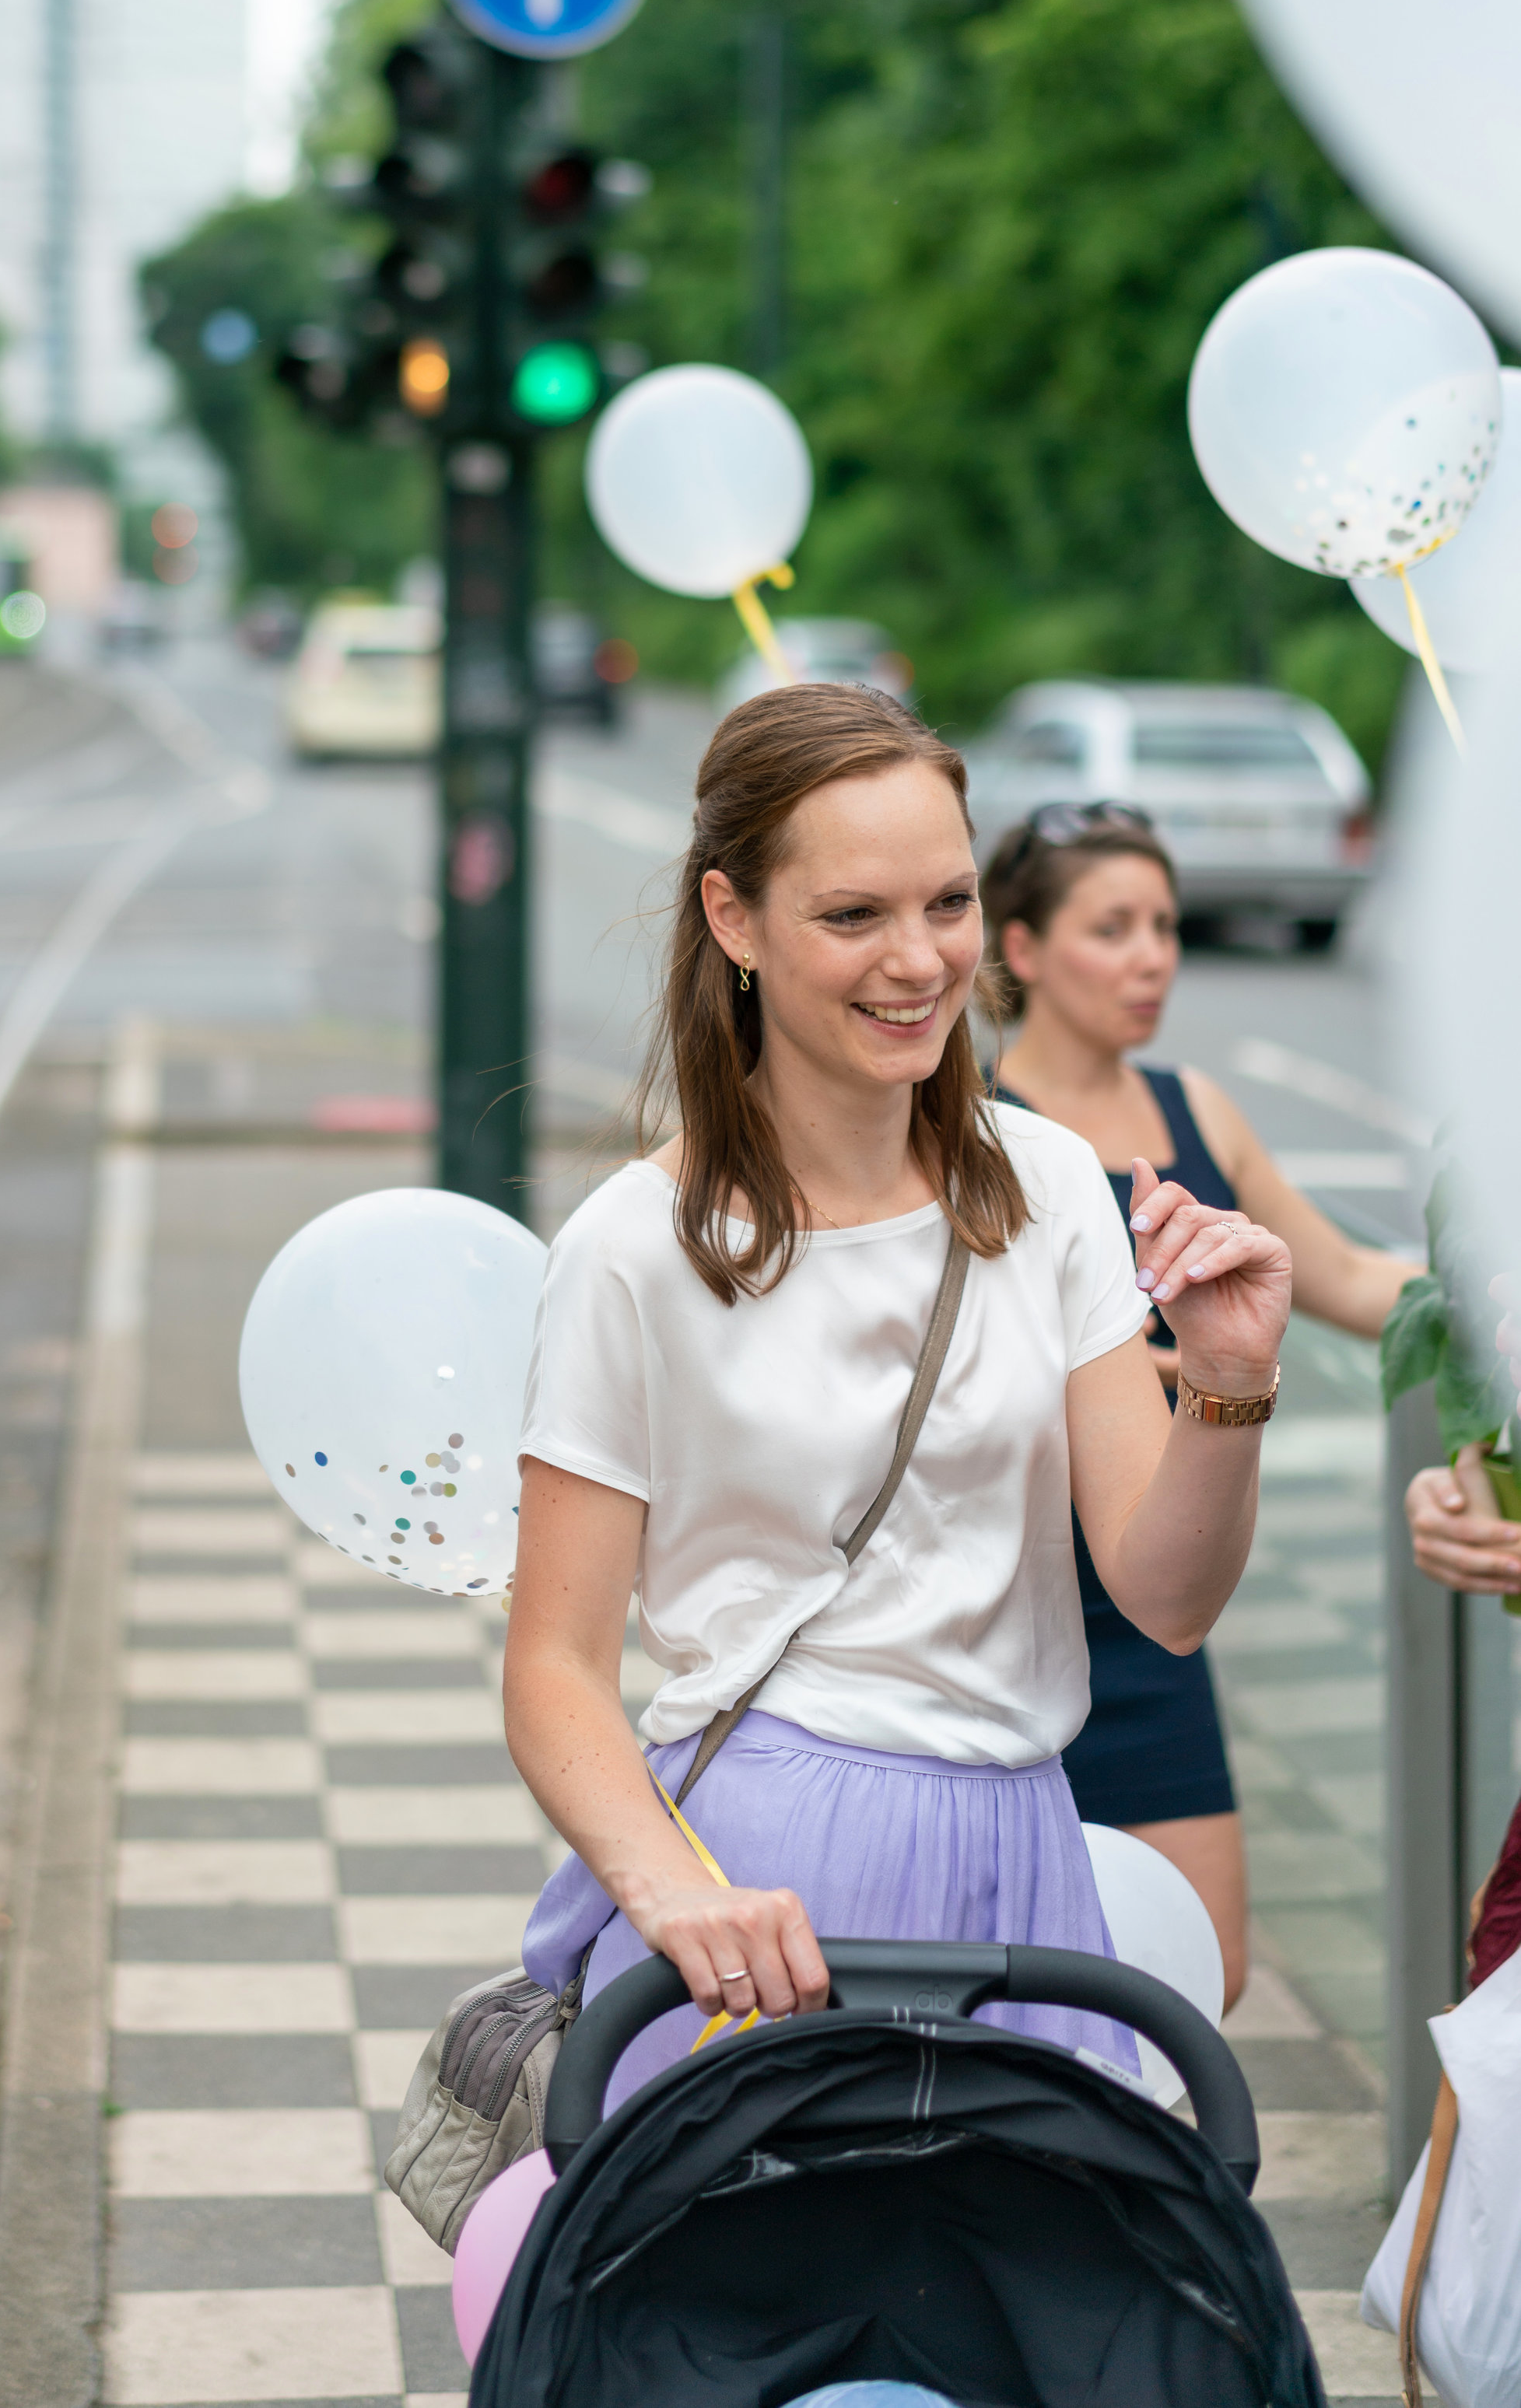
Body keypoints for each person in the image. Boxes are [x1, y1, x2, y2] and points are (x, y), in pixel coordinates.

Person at [504, 688, 1290, 2098]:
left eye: (949, 903)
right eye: (853, 915)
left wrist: (1228, 1390)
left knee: (1038, 2307)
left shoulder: (1045, 1183)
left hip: (1024, 1866)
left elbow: (1166, 1599)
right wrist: (676, 1896)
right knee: (765, 2309)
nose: (918, 961)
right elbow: (555, 1666)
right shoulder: (638, 1245)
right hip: (766, 1891)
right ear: (734, 921)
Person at [981, 802, 1418, 2008]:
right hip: (991, 1610)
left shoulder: (1196, 1110)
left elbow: (1349, 1283)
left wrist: (1482, 1288)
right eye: (1111, 927)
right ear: (1021, 949)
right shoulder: (962, 1126)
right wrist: (1136, 1373)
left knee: (1198, 1980)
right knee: (1000, 1989)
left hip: (1155, 1606)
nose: (1151, 956)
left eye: (1164, 926)